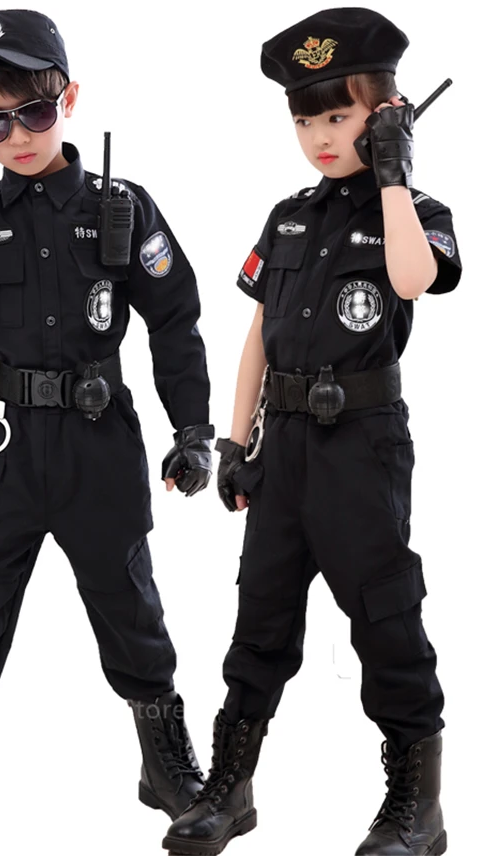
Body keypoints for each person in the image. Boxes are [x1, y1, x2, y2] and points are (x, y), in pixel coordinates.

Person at [0, 9, 212, 853]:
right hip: (1, 448)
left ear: (69, 98)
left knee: (131, 607)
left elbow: (175, 321)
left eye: (34, 110)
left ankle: (167, 767)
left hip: (100, 442)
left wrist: (194, 429)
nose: (18, 135)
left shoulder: (119, 206)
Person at [163, 8, 460, 856]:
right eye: (304, 120)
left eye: (338, 115)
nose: (320, 137)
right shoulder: (289, 217)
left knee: (385, 615)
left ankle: (416, 807)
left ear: (387, 112)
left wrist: (394, 174)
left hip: (361, 443)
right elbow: (258, 334)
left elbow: (414, 278)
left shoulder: (417, 210)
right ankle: (229, 788)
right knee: (260, 618)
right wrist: (234, 442)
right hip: (283, 446)